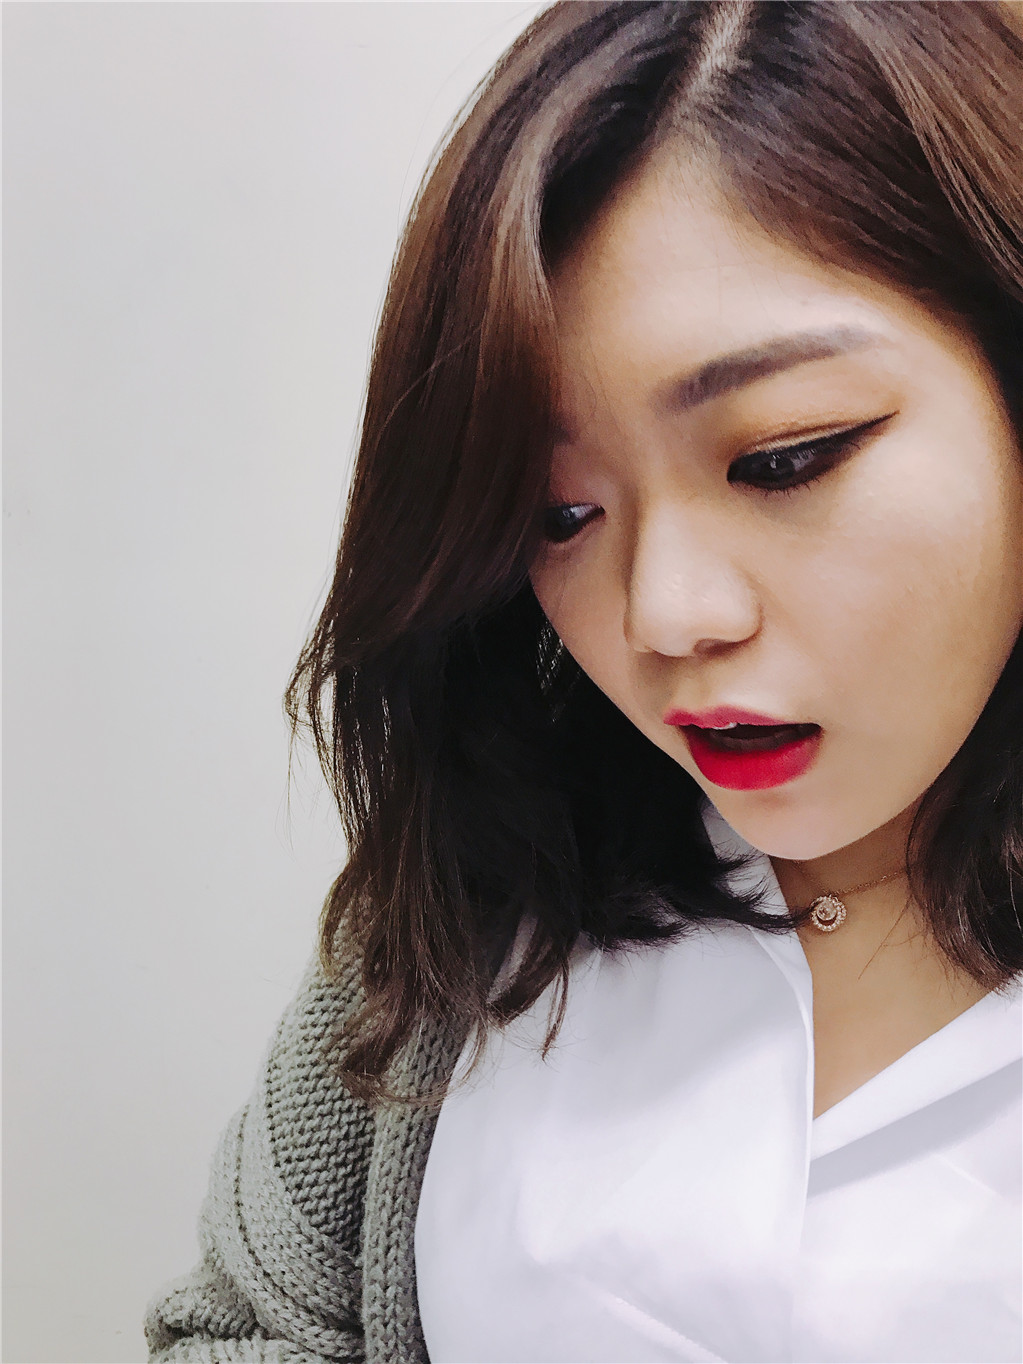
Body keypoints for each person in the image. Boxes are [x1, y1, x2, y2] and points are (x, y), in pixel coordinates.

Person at [145, 3, 1023, 1361]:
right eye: (558, 515)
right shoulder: (483, 889)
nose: (664, 614)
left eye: (783, 458)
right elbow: (244, 1325)